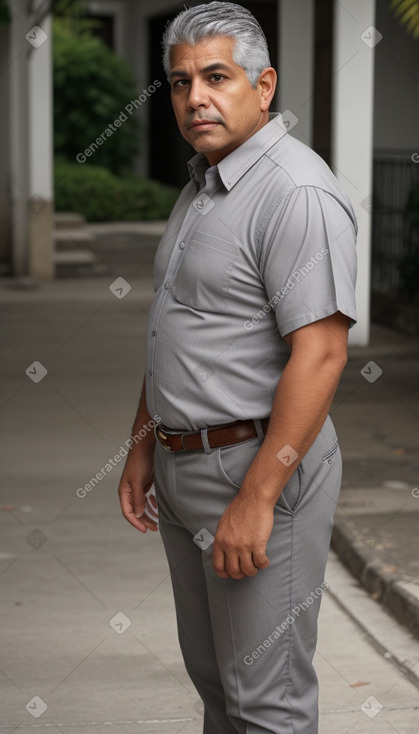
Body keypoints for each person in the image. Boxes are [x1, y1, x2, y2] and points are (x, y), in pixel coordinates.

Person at [118, 2, 357, 732]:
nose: (195, 97)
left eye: (216, 77)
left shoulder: (295, 193)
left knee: (267, 704)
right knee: (221, 692)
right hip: (186, 466)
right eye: (181, 81)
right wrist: (141, 445)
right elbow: (178, 327)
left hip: (259, 469)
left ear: (264, 84)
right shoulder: (203, 185)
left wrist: (256, 498)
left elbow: (321, 352)